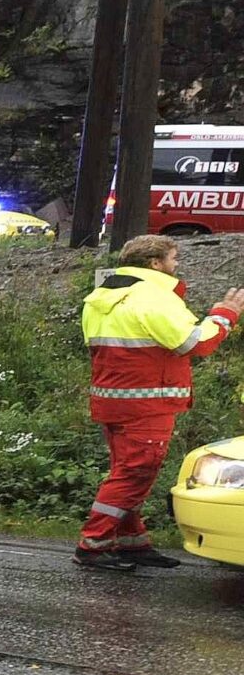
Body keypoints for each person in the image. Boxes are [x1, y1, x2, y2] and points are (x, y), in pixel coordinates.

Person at [75, 235, 240, 571]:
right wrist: (225, 315)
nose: (175, 264)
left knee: (127, 472)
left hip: (112, 400)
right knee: (135, 474)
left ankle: (132, 543)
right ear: (154, 263)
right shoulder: (154, 296)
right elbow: (195, 343)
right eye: (173, 258)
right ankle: (93, 544)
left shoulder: (102, 296)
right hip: (148, 403)